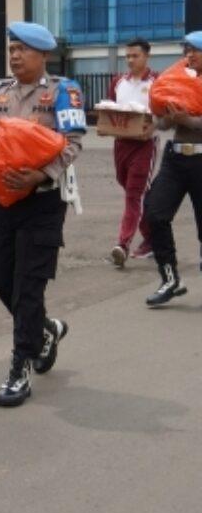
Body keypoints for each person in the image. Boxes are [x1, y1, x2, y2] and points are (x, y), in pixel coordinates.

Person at [0, 21, 86, 407]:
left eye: (23, 50)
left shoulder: (62, 93)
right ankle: (45, 329)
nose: (15, 56)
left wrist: (40, 174)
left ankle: (20, 368)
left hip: (42, 203)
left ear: (43, 55)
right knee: (2, 280)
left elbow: (71, 145)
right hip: (2, 202)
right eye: (12, 49)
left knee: (28, 286)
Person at [143, 32, 202, 307]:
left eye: (195, 51)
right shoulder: (179, 82)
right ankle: (170, 277)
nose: (189, 56)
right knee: (155, 213)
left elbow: (190, 121)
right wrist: (159, 119)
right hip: (176, 159)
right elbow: (167, 125)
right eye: (187, 50)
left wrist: (188, 120)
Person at [106, 38, 160, 267]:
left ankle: (123, 244)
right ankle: (153, 239)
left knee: (134, 194)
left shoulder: (159, 82)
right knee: (129, 188)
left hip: (145, 145)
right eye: (127, 56)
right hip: (121, 144)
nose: (130, 60)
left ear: (147, 56)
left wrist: (153, 127)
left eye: (135, 56)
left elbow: (165, 112)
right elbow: (107, 109)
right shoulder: (118, 82)